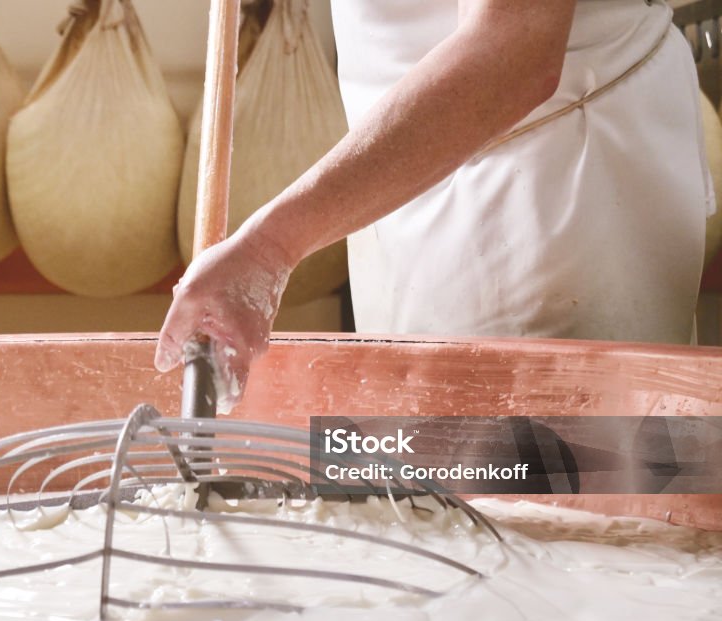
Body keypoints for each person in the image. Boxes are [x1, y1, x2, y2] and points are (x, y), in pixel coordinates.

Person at [155, 0, 712, 409]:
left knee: (578, 518)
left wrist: (268, 247)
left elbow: (515, 51)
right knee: (423, 509)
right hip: (400, 188)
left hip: (553, 198)